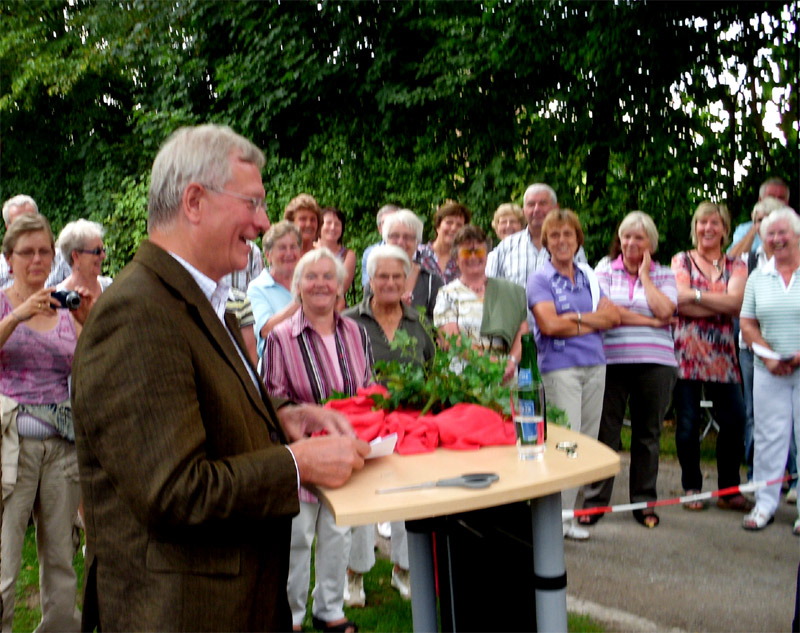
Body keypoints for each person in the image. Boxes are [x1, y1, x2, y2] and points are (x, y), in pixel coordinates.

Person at [70, 124, 369, 631]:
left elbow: (206, 406)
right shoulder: (138, 314)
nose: (264, 221)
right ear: (194, 201)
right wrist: (296, 465)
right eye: (252, 203)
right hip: (182, 611)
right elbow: (175, 491)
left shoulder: (200, 299)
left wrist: (282, 415)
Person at [263, 248, 373, 633]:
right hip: (304, 455)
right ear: (298, 287)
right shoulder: (281, 337)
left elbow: (368, 386)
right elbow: (272, 395)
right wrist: (309, 418)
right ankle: (291, 617)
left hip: (345, 451)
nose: (322, 283)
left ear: (341, 286)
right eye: (312, 277)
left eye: (330, 276)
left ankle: (330, 610)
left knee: (338, 534)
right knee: (297, 538)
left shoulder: (356, 332)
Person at [1, 213, 93, 632]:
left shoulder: (63, 302)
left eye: (44, 251)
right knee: (4, 560)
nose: (37, 259)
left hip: (62, 446)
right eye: (27, 252)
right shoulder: (5, 303)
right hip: (12, 447)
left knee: (60, 558)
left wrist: (88, 320)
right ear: (9, 258)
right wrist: (18, 315)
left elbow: (95, 363)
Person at [343, 245, 436, 605]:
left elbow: (432, 369)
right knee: (365, 499)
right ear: (369, 279)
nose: (390, 282)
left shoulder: (418, 321)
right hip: (364, 420)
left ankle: (404, 569)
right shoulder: (350, 320)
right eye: (382, 276)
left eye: (398, 276)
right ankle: (354, 575)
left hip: (410, 423)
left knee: (408, 496)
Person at [580, 212, 678, 529]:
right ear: (618, 239)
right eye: (626, 236)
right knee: (605, 434)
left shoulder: (664, 275)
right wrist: (651, 321)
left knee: (647, 435)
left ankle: (644, 502)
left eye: (639, 237)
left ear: (652, 243)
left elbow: (667, 309)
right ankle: (595, 502)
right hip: (610, 360)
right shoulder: (604, 270)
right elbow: (607, 312)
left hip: (656, 363)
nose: (631, 243)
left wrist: (646, 277)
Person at [527, 208, 620, 539]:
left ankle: (565, 517)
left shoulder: (589, 276)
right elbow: (549, 325)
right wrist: (589, 318)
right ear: (546, 242)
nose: (562, 240)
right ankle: (553, 519)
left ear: (578, 239)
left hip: (596, 365)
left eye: (568, 234)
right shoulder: (540, 279)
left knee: (585, 442)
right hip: (560, 369)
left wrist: (574, 318)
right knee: (565, 442)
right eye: (554, 235)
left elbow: (613, 318)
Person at [670, 201, 751, 512]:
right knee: (688, 424)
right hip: (686, 353)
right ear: (695, 228)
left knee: (735, 421)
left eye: (714, 223)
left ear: (725, 229)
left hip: (723, 355)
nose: (708, 228)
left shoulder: (737, 265)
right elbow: (679, 301)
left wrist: (697, 296)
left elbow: (736, 305)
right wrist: (719, 299)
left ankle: (729, 490)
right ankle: (692, 487)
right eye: (702, 222)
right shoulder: (682, 259)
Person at [739, 208, 800, 534]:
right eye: (770, 234)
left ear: (797, 234)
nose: (776, 239)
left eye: (782, 233)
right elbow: (747, 323)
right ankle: (764, 505)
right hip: (768, 369)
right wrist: (770, 355)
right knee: (768, 438)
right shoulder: (758, 277)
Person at [734, 196, 787, 483]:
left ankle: (792, 478)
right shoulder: (749, 259)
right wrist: (754, 231)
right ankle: (759, 476)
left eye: (769, 221)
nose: (765, 227)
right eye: (759, 220)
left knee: (792, 417)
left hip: (790, 347)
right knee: (755, 413)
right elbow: (728, 259)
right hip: (751, 347)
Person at [434, 225, 528, 383]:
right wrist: (492, 364)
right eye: (466, 252)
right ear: (456, 259)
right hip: (464, 378)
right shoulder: (447, 294)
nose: (473, 257)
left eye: (478, 251)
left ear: (487, 255)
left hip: (507, 375)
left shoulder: (510, 290)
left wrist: (510, 362)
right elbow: (451, 340)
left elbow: (523, 332)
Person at [486, 183, 587, 288]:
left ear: (555, 208)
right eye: (531, 204)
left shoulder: (571, 247)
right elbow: (490, 288)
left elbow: (584, 288)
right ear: (523, 211)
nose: (536, 209)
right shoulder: (506, 246)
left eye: (543, 203)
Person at [248, 221, 302, 358]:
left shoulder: (307, 283)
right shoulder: (257, 288)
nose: (289, 253)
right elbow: (266, 330)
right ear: (268, 256)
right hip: (277, 365)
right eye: (282, 248)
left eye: (293, 247)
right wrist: (300, 302)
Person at [381, 209, 443, 320]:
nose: (400, 242)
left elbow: (438, 325)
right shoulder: (376, 277)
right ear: (386, 240)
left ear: (417, 243)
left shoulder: (432, 281)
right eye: (394, 236)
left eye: (408, 237)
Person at [1, 195, 71, 289]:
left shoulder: (62, 258)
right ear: (8, 228)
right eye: (20, 224)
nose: (37, 259)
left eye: (32, 221)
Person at [728, 177, 790, 258]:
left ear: (787, 203)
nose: (776, 201)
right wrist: (756, 225)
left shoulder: (796, 227)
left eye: (781, 198)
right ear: (760, 200)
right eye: (771, 197)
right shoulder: (745, 229)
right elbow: (731, 259)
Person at [55, 219, 113, 299]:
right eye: (97, 251)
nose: (103, 256)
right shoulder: (59, 298)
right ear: (76, 256)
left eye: (103, 250)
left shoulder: (110, 288)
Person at [417, 201, 471, 283]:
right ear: (438, 226)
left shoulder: (465, 260)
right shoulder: (418, 254)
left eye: (459, 225)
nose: (453, 228)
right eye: (449, 222)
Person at [316, 206, 356, 309]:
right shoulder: (308, 250)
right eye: (328, 223)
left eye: (337, 224)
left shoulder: (348, 255)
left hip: (337, 308)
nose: (333, 227)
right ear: (319, 225)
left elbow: (341, 287)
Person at [361, 204, 399, 289]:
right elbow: (368, 290)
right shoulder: (370, 253)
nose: (391, 227)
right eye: (386, 223)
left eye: (395, 221)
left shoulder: (419, 251)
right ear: (380, 229)